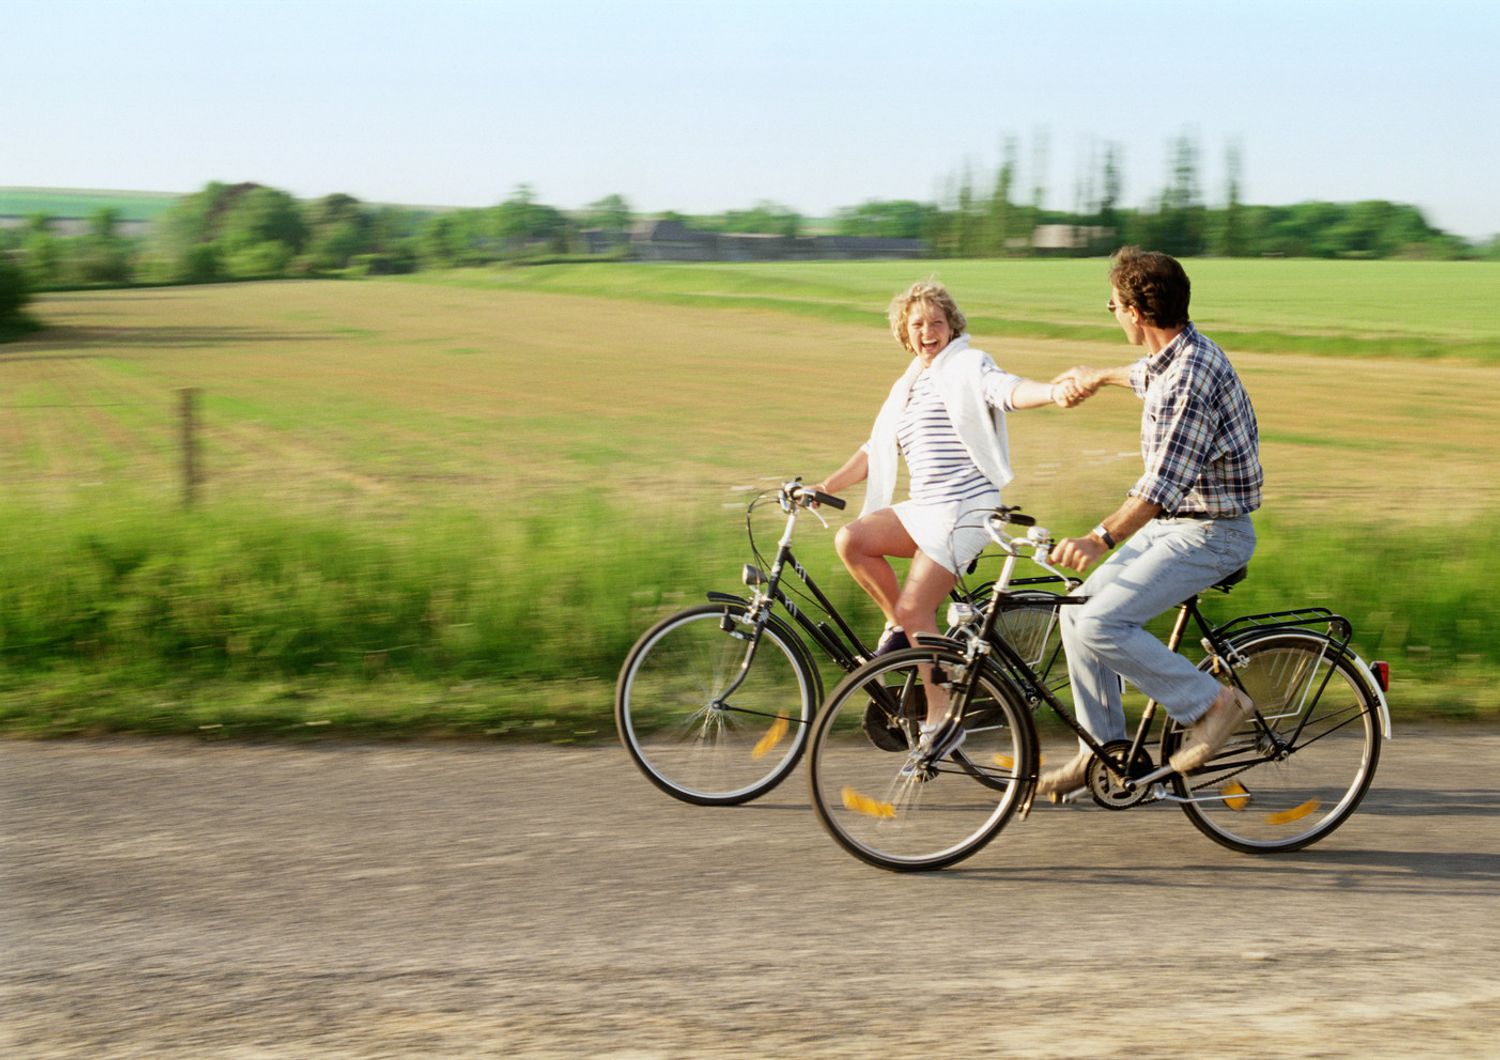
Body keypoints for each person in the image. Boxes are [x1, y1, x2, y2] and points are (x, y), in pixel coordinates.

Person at [811, 279, 1075, 755]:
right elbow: (876, 449)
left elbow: (1006, 390)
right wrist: (826, 487)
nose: (928, 330)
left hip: (964, 509)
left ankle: (940, 716)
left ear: (952, 326)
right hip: (927, 508)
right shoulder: (910, 384)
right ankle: (909, 633)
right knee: (853, 541)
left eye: (937, 321)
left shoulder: (969, 366)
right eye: (918, 324)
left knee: (917, 610)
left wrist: (1054, 392)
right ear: (905, 334)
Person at [1041, 247, 1263, 795]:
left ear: (1137, 313)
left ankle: (1215, 705)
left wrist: (1099, 539)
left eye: (1113, 304)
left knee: (1100, 623)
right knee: (1076, 614)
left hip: (1212, 534)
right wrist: (1098, 377)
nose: (1111, 312)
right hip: (1183, 527)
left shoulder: (1189, 381)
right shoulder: (1179, 353)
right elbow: (1146, 373)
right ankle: (1102, 753)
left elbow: (1160, 487)